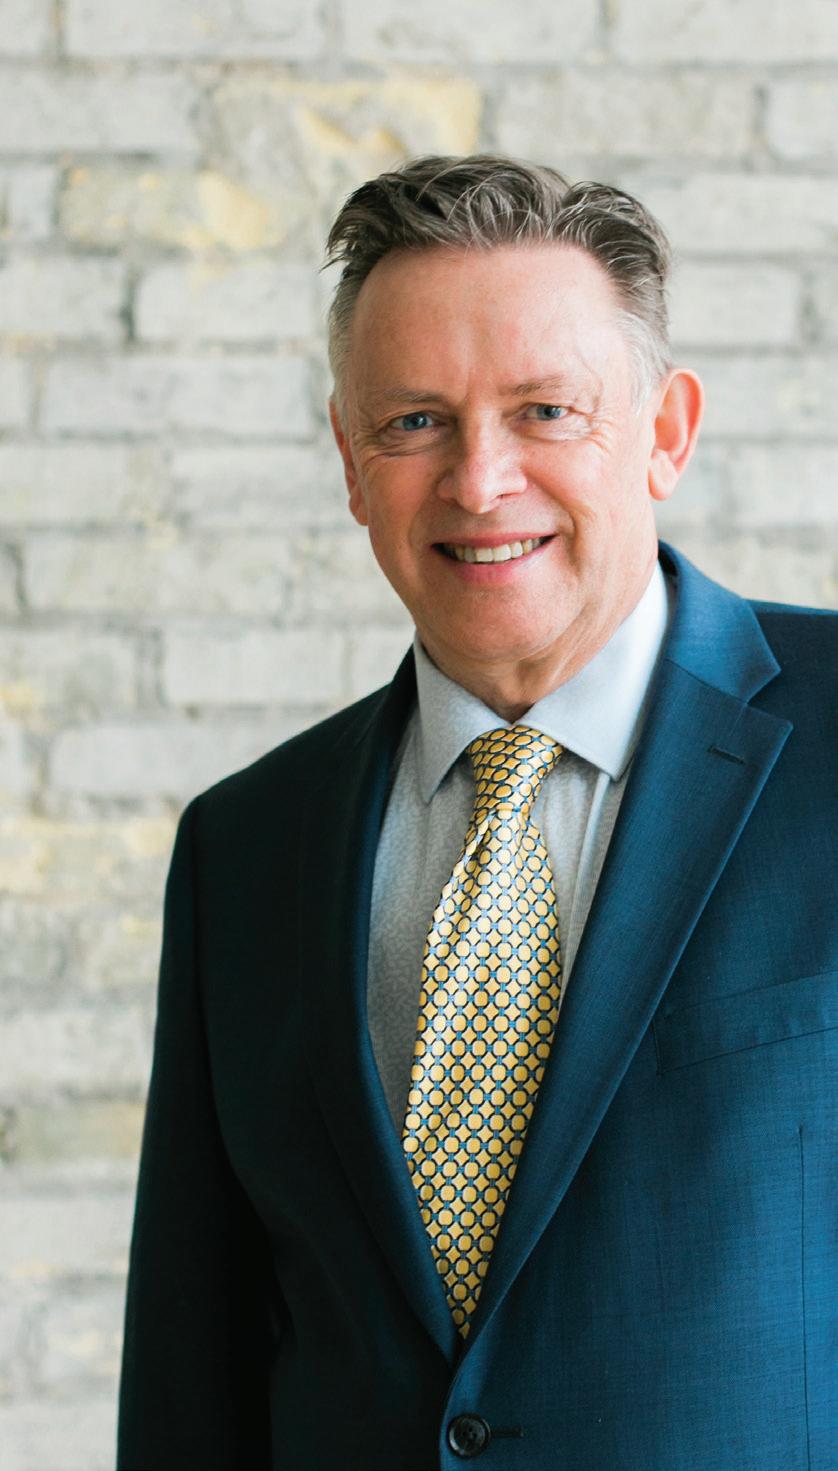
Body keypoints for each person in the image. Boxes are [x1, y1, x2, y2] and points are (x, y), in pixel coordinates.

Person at [117, 155, 836, 1471]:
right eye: (413, 423)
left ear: (666, 433)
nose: (478, 479)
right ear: (350, 460)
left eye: (546, 411)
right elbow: (191, 1373)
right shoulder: (246, 847)